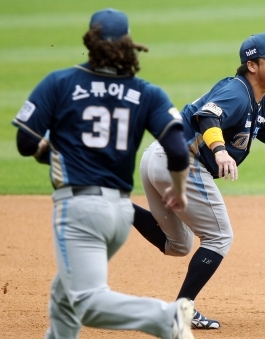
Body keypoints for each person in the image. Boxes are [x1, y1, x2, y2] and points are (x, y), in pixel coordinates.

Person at [12, 8, 195, 339]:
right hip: (120, 215)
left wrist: (48, 151)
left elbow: (25, 141)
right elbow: (179, 151)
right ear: (128, 44)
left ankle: (166, 317)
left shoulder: (60, 82)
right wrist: (179, 191)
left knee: (86, 302)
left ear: (90, 41)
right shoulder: (146, 92)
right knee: (64, 297)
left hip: (80, 210)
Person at [132, 32, 265, 329]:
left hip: (157, 158)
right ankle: (181, 311)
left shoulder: (262, 105)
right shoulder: (237, 92)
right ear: (252, 65)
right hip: (180, 160)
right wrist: (221, 151)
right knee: (220, 237)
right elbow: (208, 117)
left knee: (178, 244)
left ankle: (118, 208)